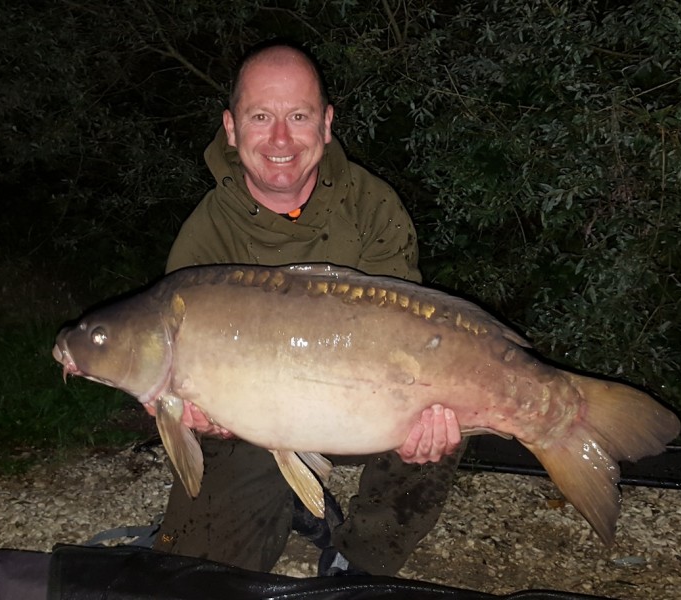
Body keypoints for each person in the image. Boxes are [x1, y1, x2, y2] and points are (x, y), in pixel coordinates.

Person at [152, 40, 465, 577]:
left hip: (363, 411)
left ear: (325, 124)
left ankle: (360, 559)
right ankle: (288, 498)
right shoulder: (204, 239)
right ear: (231, 128)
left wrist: (427, 411)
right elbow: (175, 379)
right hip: (252, 425)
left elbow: (416, 338)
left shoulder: (372, 206)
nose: (280, 139)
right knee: (198, 578)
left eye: (298, 116)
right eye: (260, 117)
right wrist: (192, 416)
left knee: (445, 421)